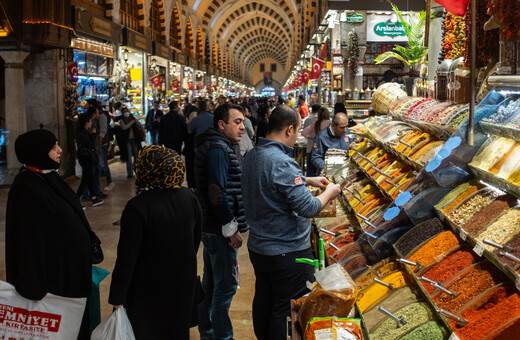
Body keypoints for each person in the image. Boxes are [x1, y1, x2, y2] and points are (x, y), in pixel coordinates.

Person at [241, 105, 341, 339]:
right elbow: (309, 207)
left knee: (264, 299)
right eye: (297, 131)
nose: (297, 136)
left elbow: (270, 181)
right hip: (286, 251)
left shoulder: (253, 154)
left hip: (260, 247)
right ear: (288, 130)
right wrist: (330, 192)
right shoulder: (283, 161)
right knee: (284, 309)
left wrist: (306, 180)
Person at [6, 128, 100, 339]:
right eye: (53, 147)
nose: (59, 150)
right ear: (38, 152)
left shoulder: (47, 176)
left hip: (69, 272)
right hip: (53, 279)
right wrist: (32, 285)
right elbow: (25, 240)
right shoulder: (26, 187)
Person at [109, 145, 202, 340]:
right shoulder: (189, 197)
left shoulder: (138, 206)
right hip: (182, 282)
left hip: (147, 288)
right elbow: (195, 239)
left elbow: (127, 257)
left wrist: (118, 296)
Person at [195, 103, 248, 340]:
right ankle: (222, 337)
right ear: (221, 124)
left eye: (243, 122)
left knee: (211, 285)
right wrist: (231, 229)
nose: (243, 127)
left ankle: (207, 332)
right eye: (237, 122)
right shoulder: (218, 149)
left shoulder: (219, 145)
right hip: (219, 229)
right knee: (224, 288)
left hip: (211, 227)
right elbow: (217, 192)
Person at [76, 113, 104, 206]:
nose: (91, 123)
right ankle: (76, 199)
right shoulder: (82, 132)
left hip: (85, 156)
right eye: (90, 121)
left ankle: (94, 198)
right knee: (85, 179)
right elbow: (90, 144)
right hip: (85, 157)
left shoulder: (84, 131)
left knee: (89, 177)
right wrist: (93, 134)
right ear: (86, 122)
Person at [116, 107, 141, 178]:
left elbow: (139, 125)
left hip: (134, 140)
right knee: (128, 157)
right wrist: (132, 122)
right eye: (124, 112)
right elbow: (124, 127)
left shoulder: (133, 118)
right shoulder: (121, 120)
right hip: (127, 141)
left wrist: (143, 134)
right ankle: (130, 173)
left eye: (126, 111)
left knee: (136, 156)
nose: (126, 113)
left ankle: (136, 169)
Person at [301, 104, 321, 176]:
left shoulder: (308, 120)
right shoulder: (324, 121)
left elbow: (304, 133)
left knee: (310, 171)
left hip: (310, 148)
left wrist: (312, 137)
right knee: (319, 171)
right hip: (320, 149)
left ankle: (309, 186)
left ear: (312, 111)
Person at [98, 104, 115, 191]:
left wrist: (99, 143)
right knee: (102, 164)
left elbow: (103, 131)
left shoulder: (102, 116)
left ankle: (109, 182)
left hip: (102, 143)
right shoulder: (104, 115)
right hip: (103, 142)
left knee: (103, 163)